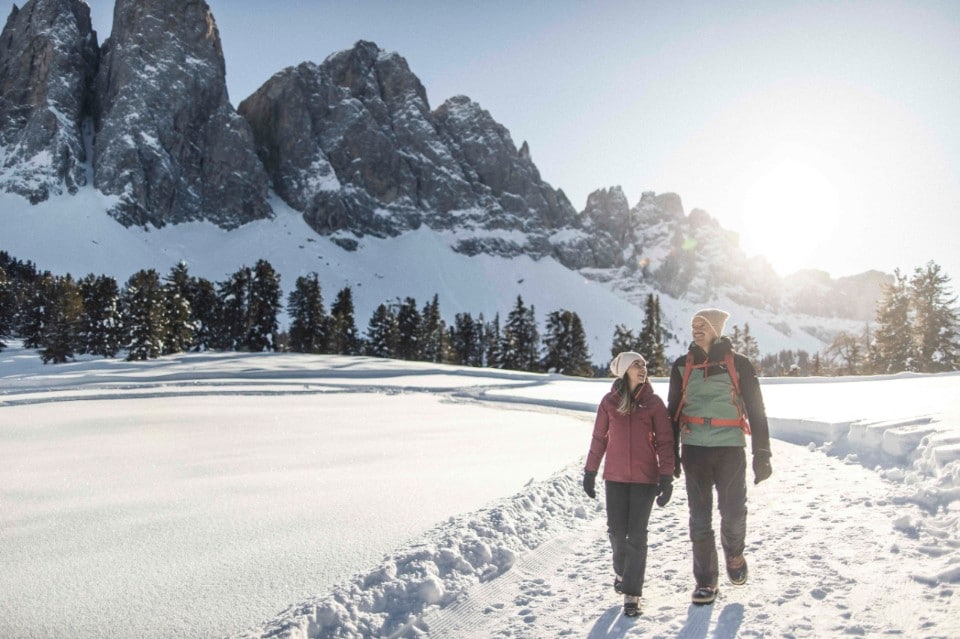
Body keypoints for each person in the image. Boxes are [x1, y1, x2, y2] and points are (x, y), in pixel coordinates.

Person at [667, 308, 773, 605]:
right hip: (694, 450)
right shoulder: (681, 366)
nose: (696, 329)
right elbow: (672, 412)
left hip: (730, 449)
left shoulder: (739, 364)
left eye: (702, 324)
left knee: (734, 512)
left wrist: (761, 453)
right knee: (699, 518)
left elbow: (756, 410)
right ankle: (705, 582)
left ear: (716, 328)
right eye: (693, 325)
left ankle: (735, 556)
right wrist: (670, 455)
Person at [583, 351, 675, 618]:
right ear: (624, 370)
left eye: (644, 365)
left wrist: (666, 477)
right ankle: (623, 571)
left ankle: (632, 594)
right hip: (615, 479)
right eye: (637, 365)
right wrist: (590, 471)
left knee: (636, 535)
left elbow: (666, 443)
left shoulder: (654, 404)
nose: (643, 369)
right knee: (616, 532)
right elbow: (599, 438)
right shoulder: (609, 402)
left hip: (646, 479)